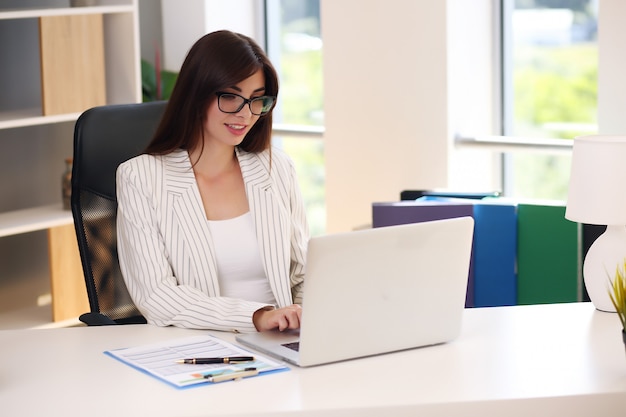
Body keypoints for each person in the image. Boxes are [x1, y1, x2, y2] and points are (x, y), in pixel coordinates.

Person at [116, 30, 309, 333]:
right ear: (197, 94)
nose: (246, 114)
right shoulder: (140, 178)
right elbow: (157, 296)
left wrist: (307, 316)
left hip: (282, 343)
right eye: (231, 97)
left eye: (257, 100)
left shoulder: (278, 168)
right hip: (201, 350)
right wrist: (256, 317)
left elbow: (302, 274)